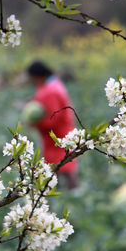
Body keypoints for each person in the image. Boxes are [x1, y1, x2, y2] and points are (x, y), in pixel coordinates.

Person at [26, 61, 79, 189]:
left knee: (63, 167)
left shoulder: (51, 91)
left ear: (38, 76)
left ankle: (70, 196)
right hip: (58, 135)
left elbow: (52, 118)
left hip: (57, 135)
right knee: (62, 166)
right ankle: (67, 196)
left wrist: (34, 124)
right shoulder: (53, 85)